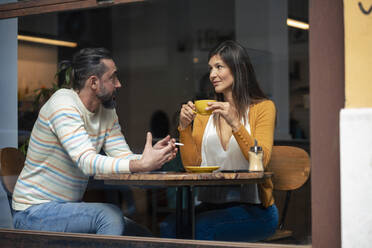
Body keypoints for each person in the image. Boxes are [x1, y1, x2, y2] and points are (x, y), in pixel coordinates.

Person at [12, 47, 178, 236]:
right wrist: (140, 163)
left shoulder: (107, 111)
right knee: (108, 216)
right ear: (93, 82)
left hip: (68, 209)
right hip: (33, 212)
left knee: (141, 235)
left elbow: (123, 157)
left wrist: (149, 157)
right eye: (113, 77)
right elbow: (87, 162)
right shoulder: (63, 104)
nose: (119, 84)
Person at [160, 40, 278, 241]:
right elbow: (191, 166)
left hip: (257, 211)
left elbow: (262, 161)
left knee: (203, 228)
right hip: (211, 205)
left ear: (238, 69)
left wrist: (235, 123)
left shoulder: (263, 108)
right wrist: (184, 127)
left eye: (219, 67)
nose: (212, 75)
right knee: (169, 227)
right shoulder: (205, 113)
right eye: (211, 68)